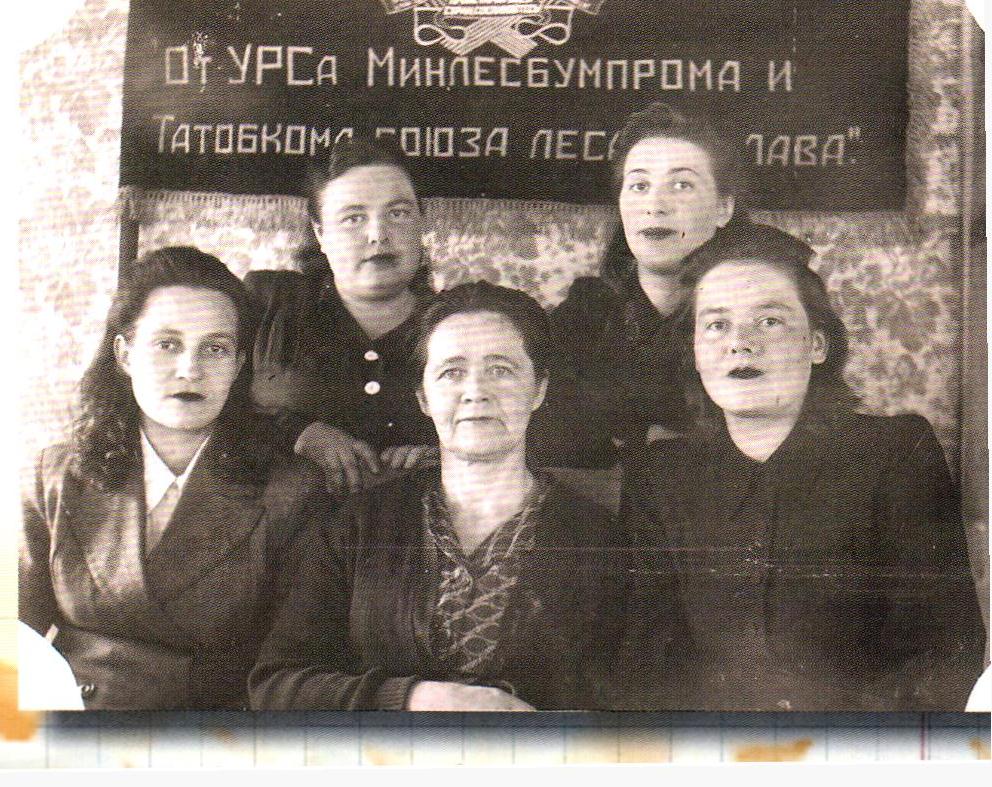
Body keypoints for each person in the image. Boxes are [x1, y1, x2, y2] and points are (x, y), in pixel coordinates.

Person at [619, 223, 986, 711]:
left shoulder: (895, 453)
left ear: (817, 345)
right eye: (716, 325)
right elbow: (646, 664)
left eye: (769, 321)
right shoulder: (660, 476)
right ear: (695, 353)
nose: (740, 344)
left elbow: (944, 653)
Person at [249, 282, 628, 710]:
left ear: (538, 390)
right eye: (451, 372)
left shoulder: (602, 540)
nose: (476, 391)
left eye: (501, 369)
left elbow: (632, 704)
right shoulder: (357, 526)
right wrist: (416, 698)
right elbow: (276, 686)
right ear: (423, 398)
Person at [19, 247, 328, 710]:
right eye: (167, 344)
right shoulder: (56, 475)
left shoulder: (290, 491)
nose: (190, 370)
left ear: (238, 365)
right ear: (124, 355)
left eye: (215, 349)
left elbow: (289, 669)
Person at [532, 102, 743, 468]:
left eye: (681, 185)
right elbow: (540, 429)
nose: (655, 205)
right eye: (640, 186)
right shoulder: (585, 314)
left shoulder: (758, 310)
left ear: (723, 209)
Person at [252, 137, 438, 497]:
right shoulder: (271, 303)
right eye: (354, 218)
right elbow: (206, 411)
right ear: (320, 233)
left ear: (421, 221)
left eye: (398, 213)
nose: (378, 235)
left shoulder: (461, 324)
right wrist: (298, 433)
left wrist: (446, 457)